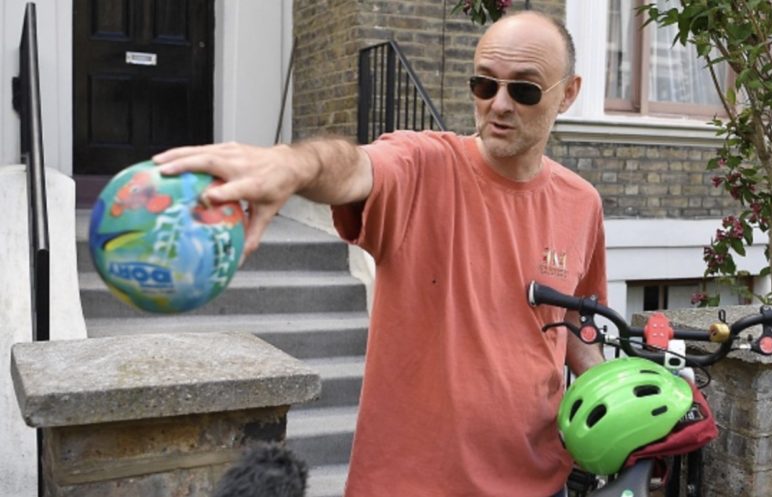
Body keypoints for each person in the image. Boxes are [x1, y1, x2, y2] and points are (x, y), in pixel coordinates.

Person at [155, 11, 606, 497]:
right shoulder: (425, 165)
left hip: (540, 484)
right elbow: (357, 168)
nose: (498, 104)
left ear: (569, 93)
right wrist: (292, 163)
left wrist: (617, 392)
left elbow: (573, 324)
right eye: (483, 84)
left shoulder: (581, 204)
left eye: (524, 89)